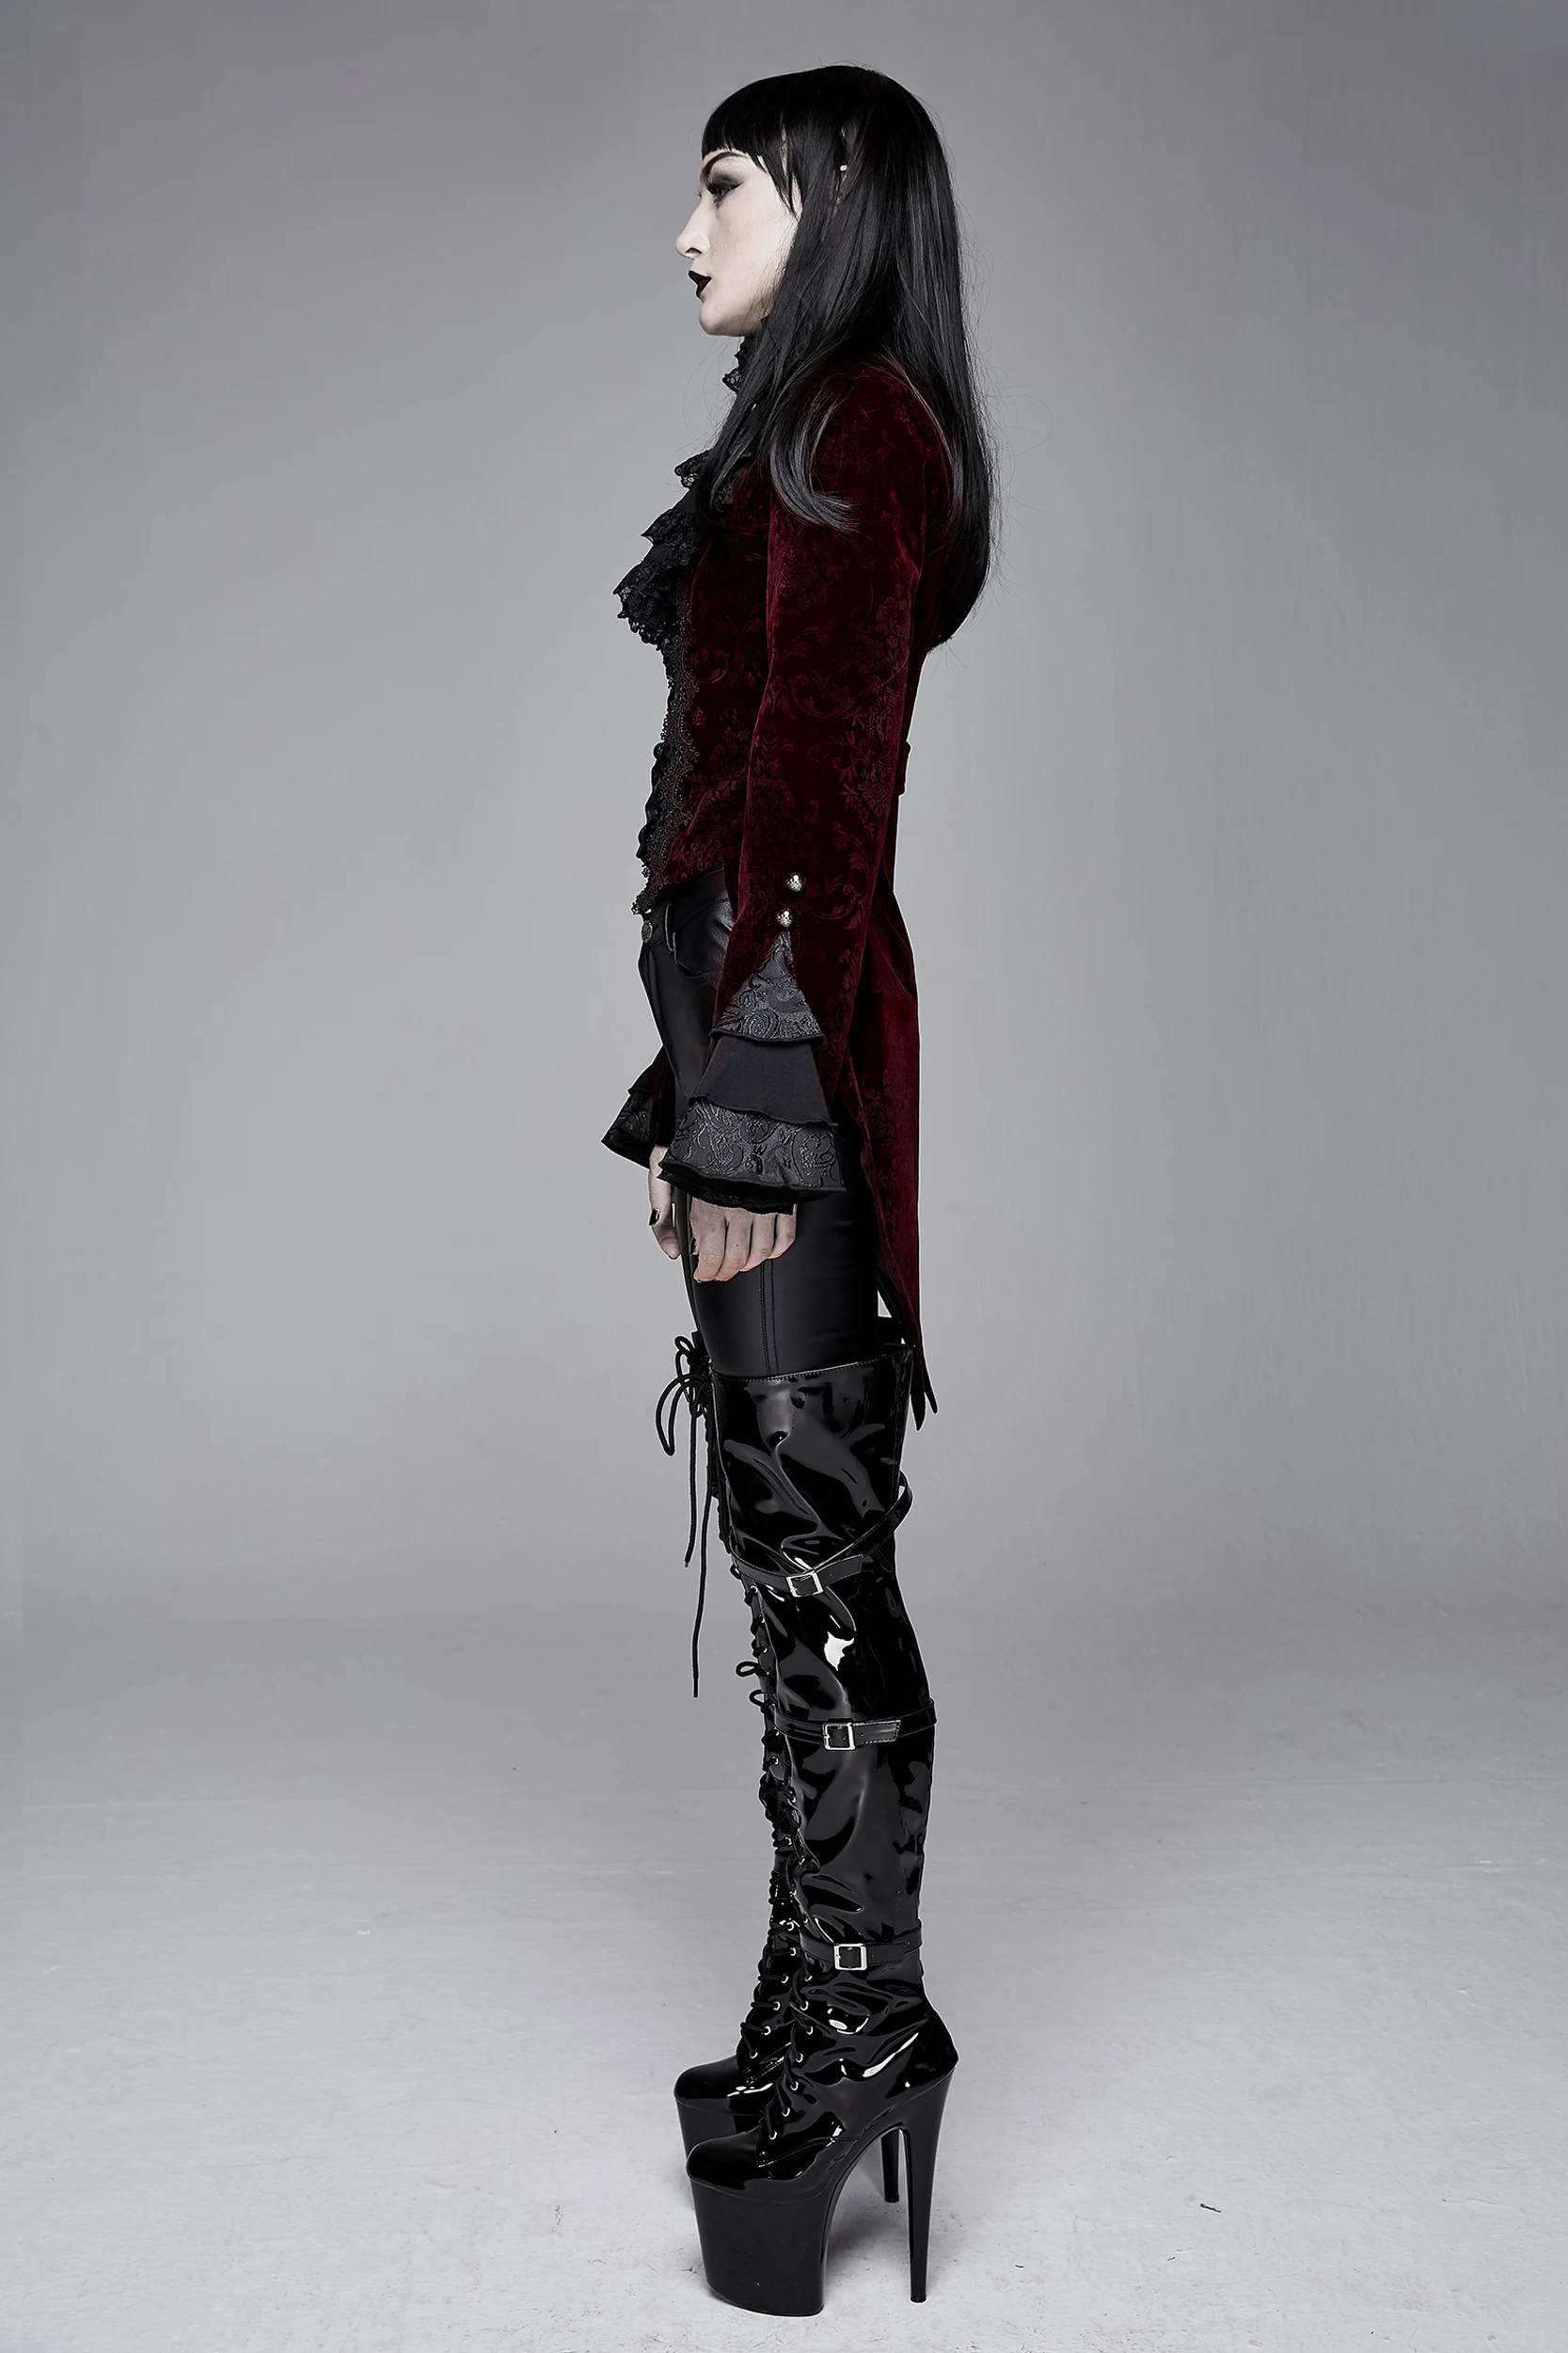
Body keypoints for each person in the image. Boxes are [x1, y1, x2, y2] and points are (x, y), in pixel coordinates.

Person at [601, 64, 993, 2316]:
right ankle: (824, 1995)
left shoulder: (862, 426)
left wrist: (750, 1100)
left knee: (815, 1542)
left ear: (830, 202)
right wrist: (691, 1081)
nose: (686, 230)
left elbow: (826, 790)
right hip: (744, 1026)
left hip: (781, 1041)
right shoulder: (805, 426)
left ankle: (859, 2024)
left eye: (723, 188)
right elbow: (743, 793)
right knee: (786, 1538)